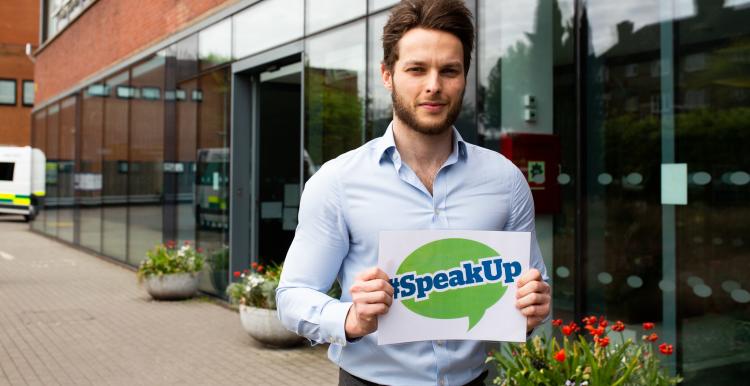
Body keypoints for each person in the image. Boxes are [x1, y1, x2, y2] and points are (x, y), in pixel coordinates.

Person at [276, 1, 551, 384]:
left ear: (465, 77)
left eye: (449, 70)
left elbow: (534, 283)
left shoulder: (505, 181)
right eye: (416, 69)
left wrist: (534, 308)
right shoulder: (337, 182)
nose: (434, 85)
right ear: (387, 75)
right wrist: (352, 319)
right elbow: (293, 296)